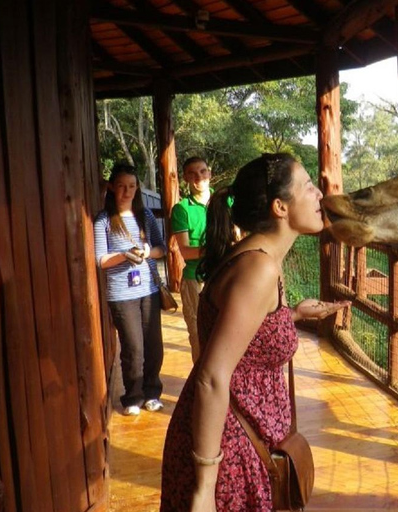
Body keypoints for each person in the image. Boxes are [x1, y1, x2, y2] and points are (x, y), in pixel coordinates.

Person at [160, 153, 350, 511]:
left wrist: (290, 315)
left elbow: (243, 337)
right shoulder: (258, 268)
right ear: (280, 207)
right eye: (308, 186)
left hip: (240, 438)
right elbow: (212, 376)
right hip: (230, 449)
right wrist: (205, 488)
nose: (320, 196)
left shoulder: (259, 259)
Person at [94, 163, 167, 416]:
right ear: (112, 187)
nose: (127, 192)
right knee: (133, 347)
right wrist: (124, 256)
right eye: (122, 186)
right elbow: (101, 260)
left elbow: (162, 248)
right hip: (121, 294)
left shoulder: (144, 216)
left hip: (148, 290)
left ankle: (152, 392)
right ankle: (133, 396)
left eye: (132, 186)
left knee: (153, 345)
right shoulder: (103, 219)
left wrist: (147, 252)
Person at [172, 156, 213, 363]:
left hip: (223, 275)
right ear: (185, 178)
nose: (199, 177)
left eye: (202, 171)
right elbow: (186, 252)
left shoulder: (225, 202)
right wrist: (217, 248)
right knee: (198, 336)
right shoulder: (181, 209)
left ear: (209, 173)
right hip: (195, 279)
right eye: (192, 173)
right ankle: (199, 389)